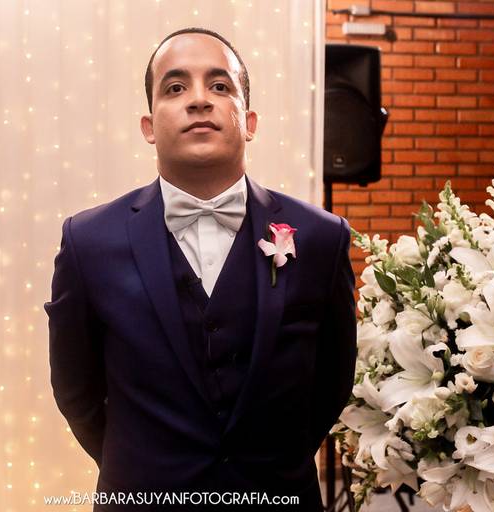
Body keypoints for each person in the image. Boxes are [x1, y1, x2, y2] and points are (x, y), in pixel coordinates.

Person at [43, 27, 357, 510]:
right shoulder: (88, 242)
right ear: (149, 126)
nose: (198, 99)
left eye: (219, 85)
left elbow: (331, 381)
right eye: (175, 87)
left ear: (249, 121)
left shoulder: (321, 237)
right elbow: (75, 390)